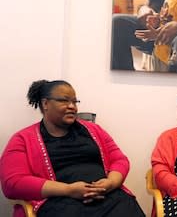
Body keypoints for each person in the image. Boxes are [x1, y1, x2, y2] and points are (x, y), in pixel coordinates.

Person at [0, 80, 145, 217]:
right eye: (64, 100)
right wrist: (68, 190)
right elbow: (13, 183)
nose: (72, 106)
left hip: (108, 196)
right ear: (45, 104)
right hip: (60, 202)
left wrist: (111, 183)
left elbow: (119, 159)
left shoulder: (94, 130)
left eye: (75, 102)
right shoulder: (22, 139)